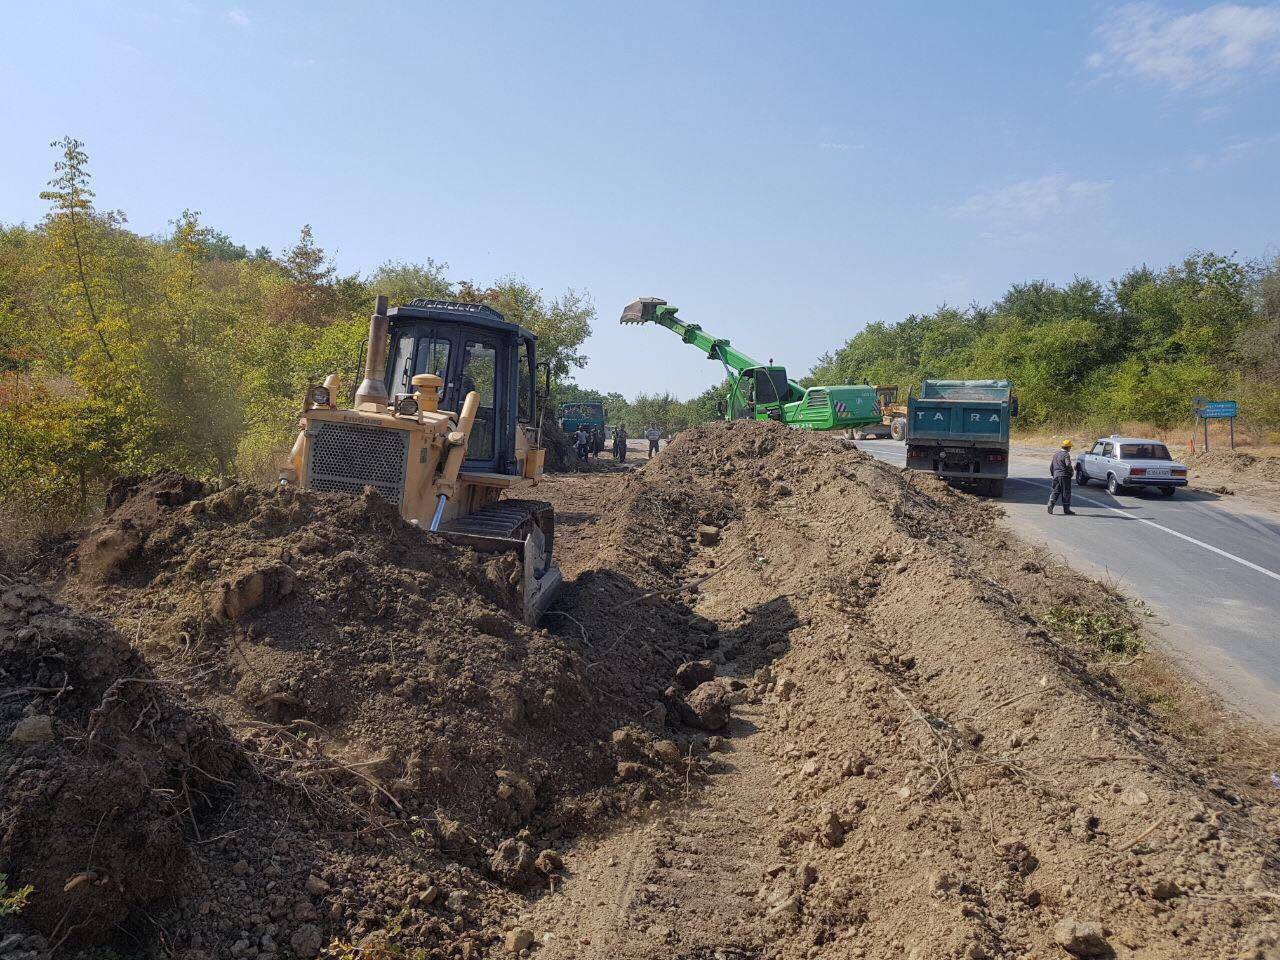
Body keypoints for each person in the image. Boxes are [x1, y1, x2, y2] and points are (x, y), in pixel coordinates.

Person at [1048, 439, 1075, 515]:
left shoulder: (1056, 454)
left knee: (1055, 491)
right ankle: (1066, 510)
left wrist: (1053, 475)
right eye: (1070, 447)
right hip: (1064, 476)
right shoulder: (1066, 454)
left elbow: (1051, 466)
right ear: (1068, 447)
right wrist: (1071, 472)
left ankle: (1050, 504)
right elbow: (1068, 465)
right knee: (1066, 493)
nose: (1070, 448)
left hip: (1056, 475)